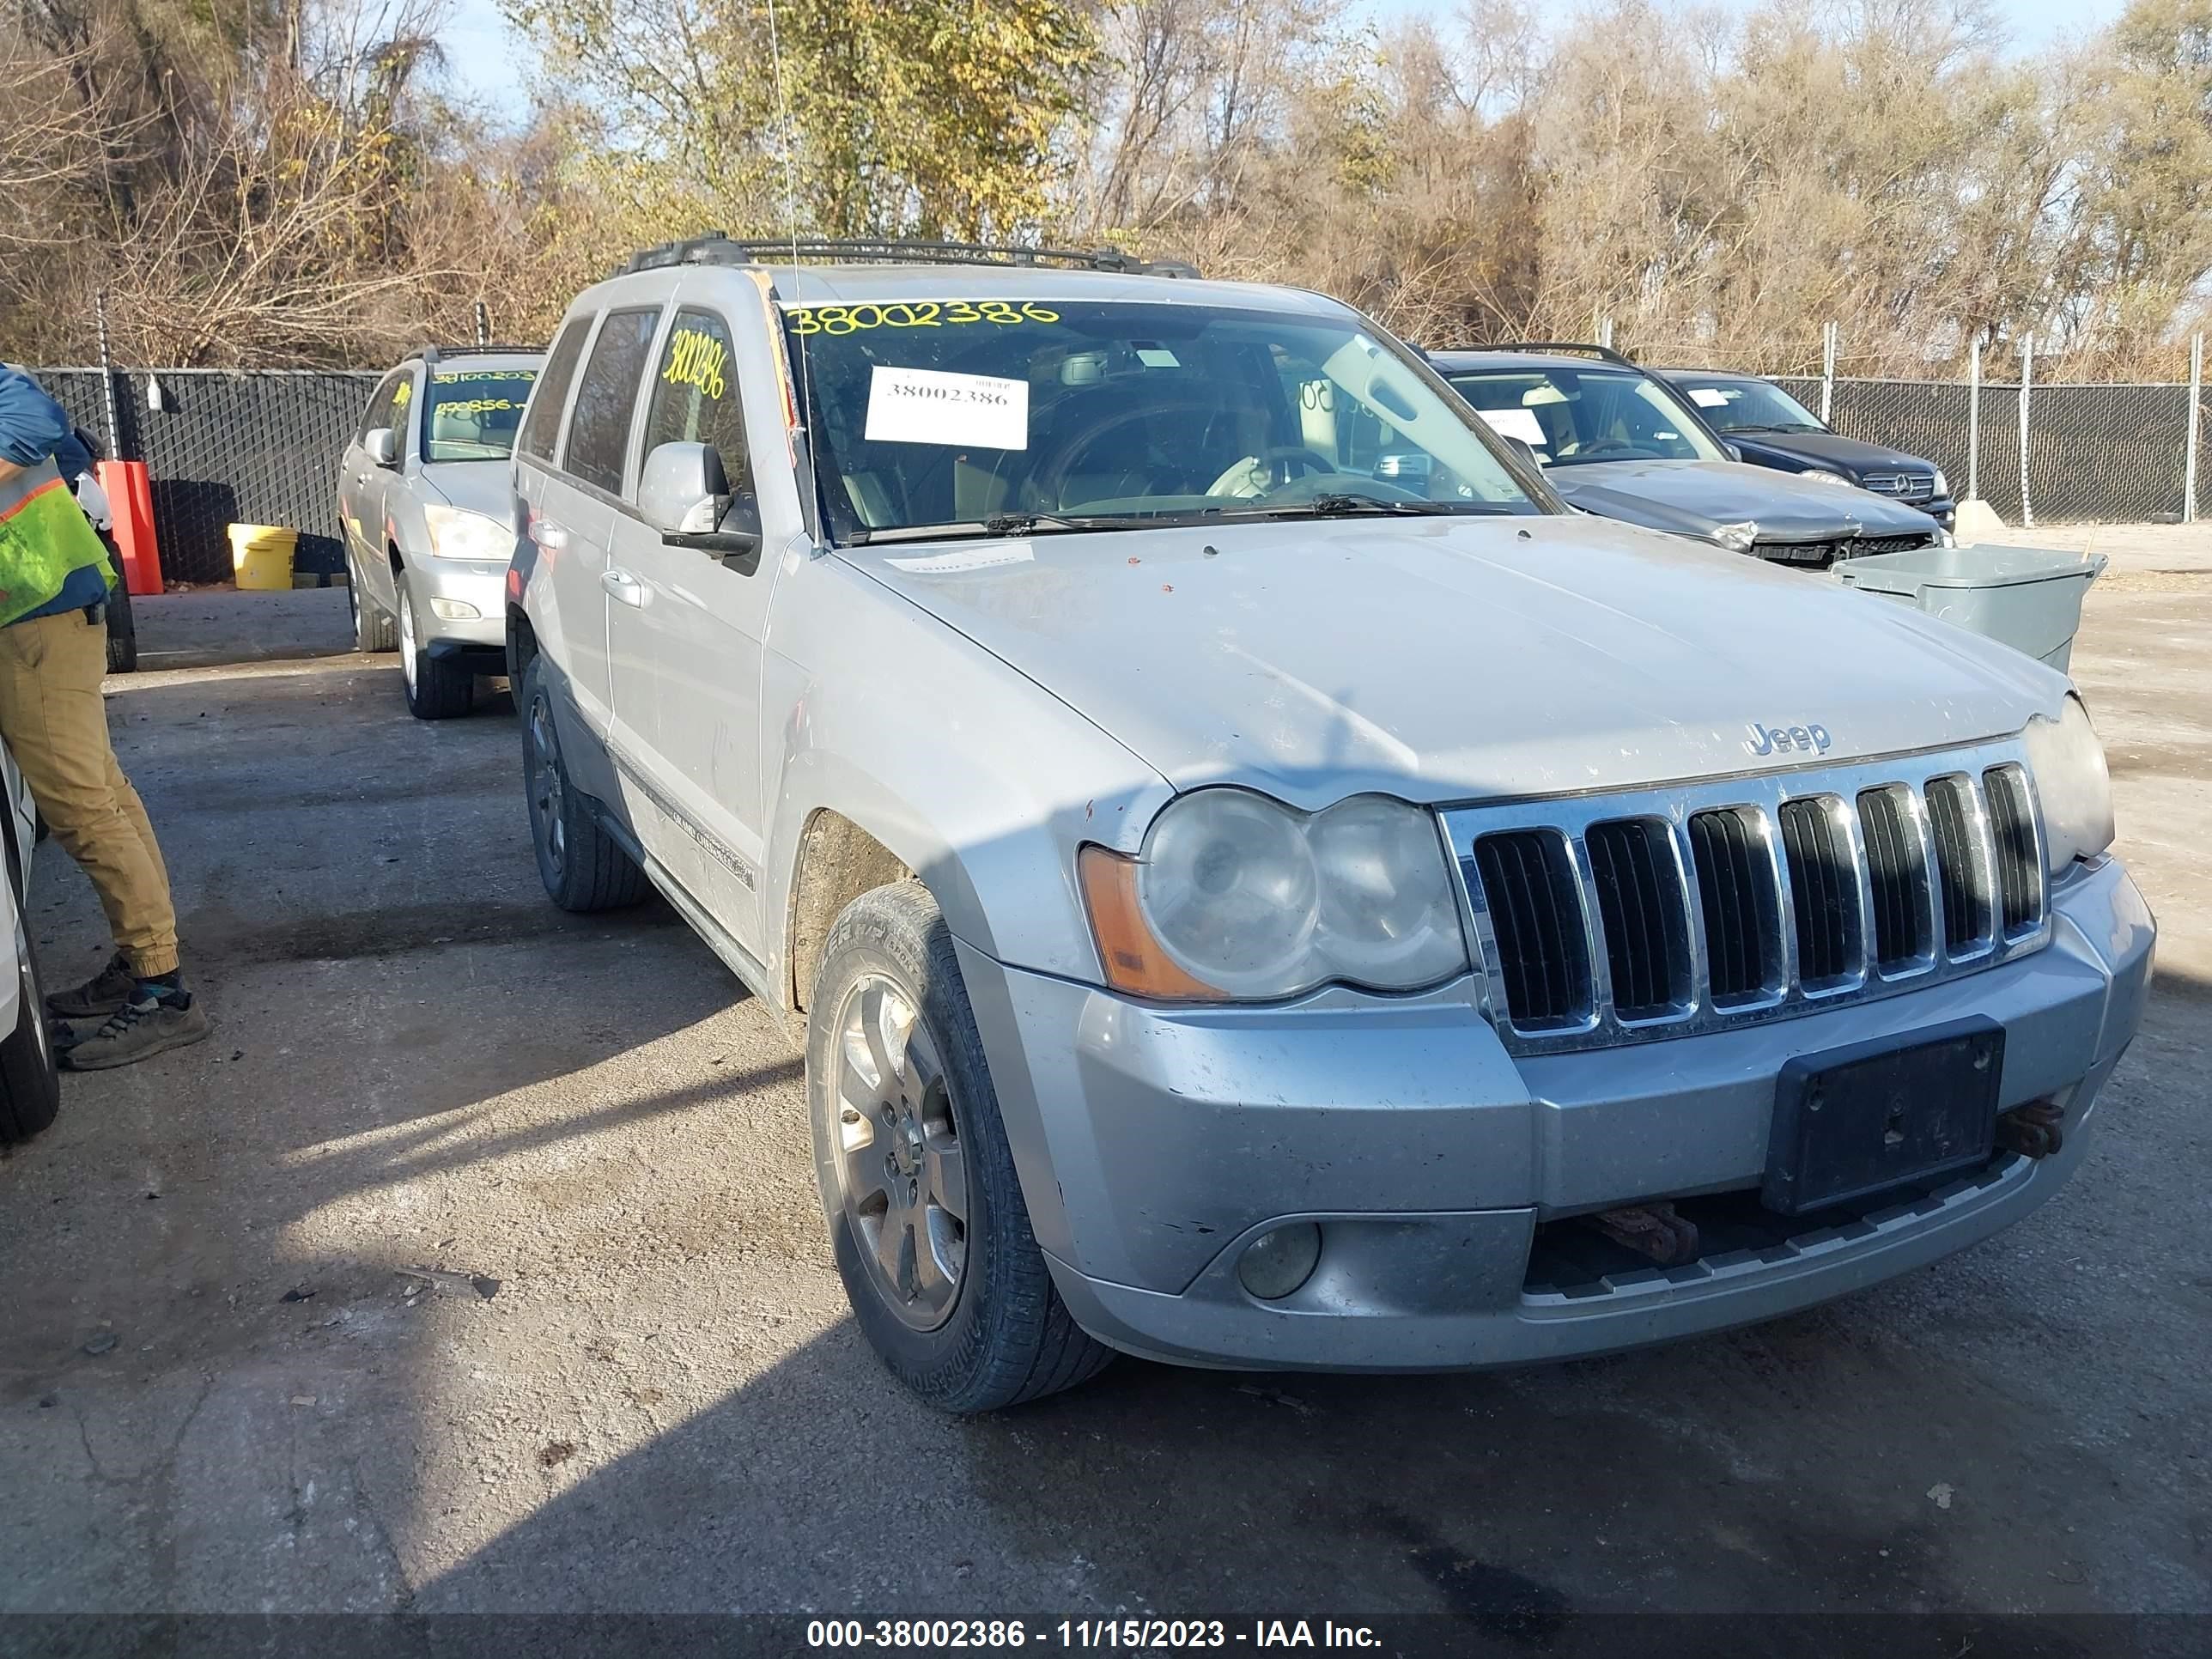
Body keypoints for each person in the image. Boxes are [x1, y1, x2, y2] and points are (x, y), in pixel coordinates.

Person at [0, 366, 206, 1068]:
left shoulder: (7, 389)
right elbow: (61, 441)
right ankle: (146, 963)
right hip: (44, 613)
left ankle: (163, 994)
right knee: (105, 797)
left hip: (35, 618)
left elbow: (38, 419)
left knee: (85, 810)